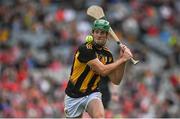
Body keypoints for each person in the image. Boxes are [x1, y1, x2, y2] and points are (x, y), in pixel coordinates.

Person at [64, 19, 133, 118]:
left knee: (100, 117)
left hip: (92, 93)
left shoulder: (107, 54)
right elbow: (102, 70)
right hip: (73, 95)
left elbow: (116, 80)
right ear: (92, 33)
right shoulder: (86, 49)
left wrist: (123, 61)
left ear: (107, 35)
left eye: (102, 32)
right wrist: (121, 60)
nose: (99, 35)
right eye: (96, 32)